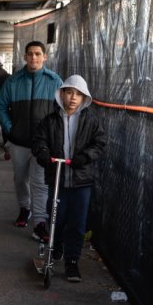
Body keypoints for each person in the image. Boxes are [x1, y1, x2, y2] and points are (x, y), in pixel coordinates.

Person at [32, 75, 106, 282]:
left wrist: (85, 157)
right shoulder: (50, 120)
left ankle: (72, 261)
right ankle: (55, 248)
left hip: (81, 180)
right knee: (56, 216)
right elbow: (39, 141)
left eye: (79, 94)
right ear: (62, 94)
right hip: (57, 177)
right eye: (69, 92)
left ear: (84, 98)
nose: (73, 98)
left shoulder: (91, 120)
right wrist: (44, 153)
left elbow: (99, 144)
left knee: (78, 222)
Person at [0, 41, 62, 242]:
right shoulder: (13, 81)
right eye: (30, 54)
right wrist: (10, 129)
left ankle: (39, 223)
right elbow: (0, 106)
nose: (34, 57)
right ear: (25, 56)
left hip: (43, 145)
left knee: (40, 183)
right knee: (20, 178)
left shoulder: (55, 81)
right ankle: (25, 208)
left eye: (38, 54)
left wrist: (51, 136)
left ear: (45, 57)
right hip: (19, 142)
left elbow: (60, 112)